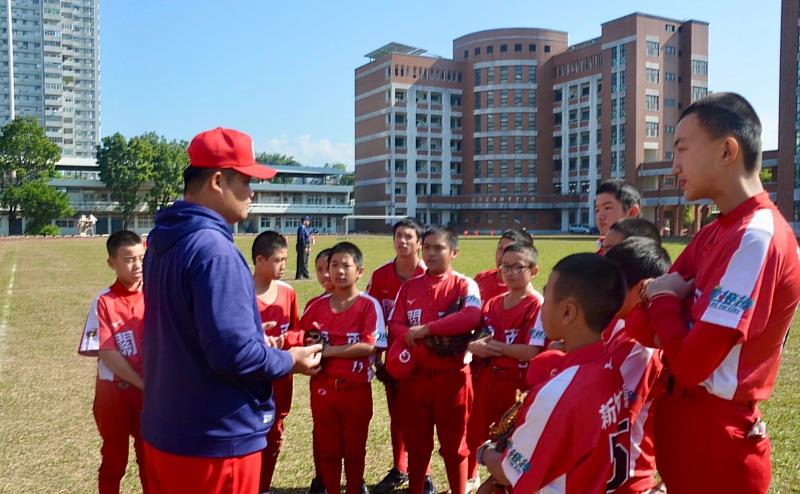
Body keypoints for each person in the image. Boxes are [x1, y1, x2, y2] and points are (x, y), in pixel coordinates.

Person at [625, 93, 800, 493]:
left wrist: (666, 299)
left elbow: (692, 365)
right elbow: (639, 323)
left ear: (727, 150)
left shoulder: (756, 238)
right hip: (688, 436)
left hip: (718, 449)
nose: (674, 167)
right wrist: (666, 305)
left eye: (682, 149)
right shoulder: (714, 232)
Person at [140, 127, 322, 494]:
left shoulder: (163, 241)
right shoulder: (214, 251)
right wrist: (291, 360)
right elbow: (235, 354)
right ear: (219, 180)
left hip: (167, 429)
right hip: (214, 442)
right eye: (247, 180)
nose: (253, 192)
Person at [477, 253, 629, 493]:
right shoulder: (609, 367)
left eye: (547, 299)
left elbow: (509, 471)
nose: (542, 307)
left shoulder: (561, 392)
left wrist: (484, 453)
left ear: (568, 312)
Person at [388, 226, 482, 494]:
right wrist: (411, 339)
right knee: (418, 448)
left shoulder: (464, 284)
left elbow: (472, 316)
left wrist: (429, 330)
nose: (430, 253)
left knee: (455, 448)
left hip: (452, 380)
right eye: (427, 247)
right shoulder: (409, 287)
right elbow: (395, 323)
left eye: (438, 248)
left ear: (454, 252)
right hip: (416, 380)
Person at [301, 241, 387, 494]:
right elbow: (301, 337)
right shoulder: (315, 306)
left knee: (354, 450)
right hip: (323, 389)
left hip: (356, 389)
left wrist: (327, 351)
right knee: (327, 450)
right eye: (333, 265)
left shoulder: (369, 305)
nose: (338, 271)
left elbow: (370, 346)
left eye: (345, 266)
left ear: (359, 271)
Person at [466, 242, 544, 489]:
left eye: (517, 267)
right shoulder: (493, 303)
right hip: (489, 385)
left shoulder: (537, 305)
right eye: (505, 267)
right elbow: (477, 339)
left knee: (516, 451)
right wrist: (473, 346)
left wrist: (493, 347)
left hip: (518, 389)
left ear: (534, 270)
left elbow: (531, 351)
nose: (509, 272)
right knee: (490, 446)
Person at [78, 230, 148, 494]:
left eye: (141, 258)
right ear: (111, 263)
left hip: (149, 396)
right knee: (114, 461)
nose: (137, 265)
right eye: (129, 259)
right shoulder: (104, 301)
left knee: (150, 459)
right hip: (114, 396)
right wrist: (143, 383)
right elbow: (106, 352)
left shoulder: (156, 295)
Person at [367, 218, 431, 494]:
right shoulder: (380, 276)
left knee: (423, 418)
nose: (402, 241)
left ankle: (424, 473)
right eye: (398, 236)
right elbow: (373, 319)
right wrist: (377, 360)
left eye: (408, 237)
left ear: (419, 243)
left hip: (424, 361)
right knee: (398, 417)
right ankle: (399, 468)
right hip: (393, 363)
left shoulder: (430, 275)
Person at [603, 237, 671, 493]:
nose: (603, 291)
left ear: (642, 288)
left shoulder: (641, 347)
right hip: (605, 471)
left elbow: (615, 415)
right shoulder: (616, 324)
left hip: (625, 478)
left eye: (612, 285)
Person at [251, 231, 303, 494]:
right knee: (250, 437)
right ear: (260, 260)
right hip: (250, 381)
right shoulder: (241, 293)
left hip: (281, 380)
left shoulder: (288, 292)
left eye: (285, 259)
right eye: (278, 259)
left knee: (275, 435)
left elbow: (296, 330)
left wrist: (286, 340)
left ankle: (264, 486)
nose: (284, 265)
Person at [305, 247, 334, 494]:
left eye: (330, 268)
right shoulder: (313, 305)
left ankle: (356, 480)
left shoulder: (359, 304)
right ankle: (320, 478)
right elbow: (301, 337)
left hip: (351, 383)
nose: (326, 275)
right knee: (321, 432)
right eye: (320, 270)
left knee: (352, 438)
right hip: (321, 381)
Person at [473, 229, 534, 303]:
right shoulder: (481, 278)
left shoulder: (524, 293)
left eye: (509, 251)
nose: (502, 256)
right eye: (500, 249)